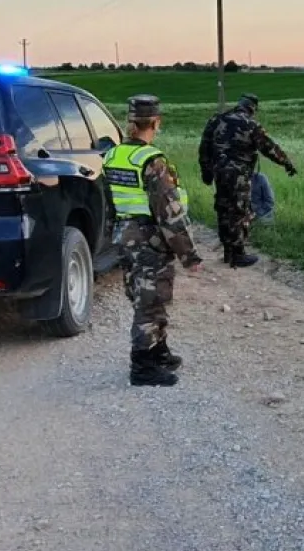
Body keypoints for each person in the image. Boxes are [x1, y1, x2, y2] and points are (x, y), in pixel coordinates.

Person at [104, 94, 204, 387]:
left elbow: (109, 202)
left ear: (130, 122)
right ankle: (143, 367)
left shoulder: (112, 155)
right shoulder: (151, 160)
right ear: (156, 123)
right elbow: (169, 213)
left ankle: (159, 351)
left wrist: (113, 236)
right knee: (150, 301)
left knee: (146, 294)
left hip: (125, 236)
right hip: (149, 240)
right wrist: (189, 255)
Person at [197, 93, 297, 268]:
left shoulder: (217, 119)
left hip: (220, 172)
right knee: (239, 211)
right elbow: (269, 147)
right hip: (239, 174)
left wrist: (206, 172)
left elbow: (204, 147)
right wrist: (287, 163)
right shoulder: (250, 124)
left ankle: (228, 251)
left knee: (223, 207)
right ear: (253, 108)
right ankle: (238, 254)